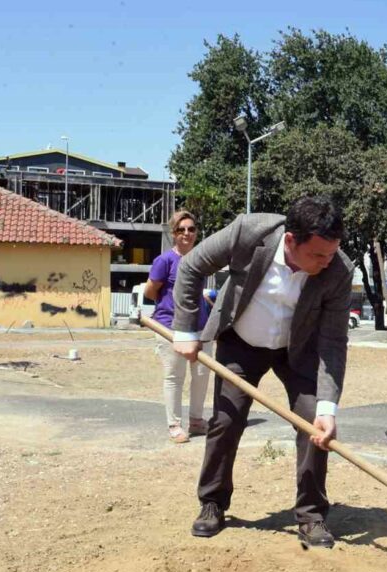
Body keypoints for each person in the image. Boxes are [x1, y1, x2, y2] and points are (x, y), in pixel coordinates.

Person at [170, 196, 354, 549]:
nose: (326, 262)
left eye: (331, 253)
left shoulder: (338, 271)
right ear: (290, 240)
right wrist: (184, 331)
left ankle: (312, 515)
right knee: (226, 420)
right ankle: (212, 502)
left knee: (313, 423)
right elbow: (191, 267)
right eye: (317, 255)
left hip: (298, 351)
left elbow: (333, 342)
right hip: (241, 342)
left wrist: (329, 409)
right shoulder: (249, 232)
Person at [145, 211, 213, 444]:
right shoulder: (164, 261)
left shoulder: (200, 259)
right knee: (175, 375)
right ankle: (174, 424)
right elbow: (150, 291)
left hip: (200, 327)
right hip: (170, 327)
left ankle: (196, 420)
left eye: (191, 229)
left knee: (202, 375)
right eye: (181, 230)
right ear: (173, 234)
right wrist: (171, 307)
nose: (187, 233)